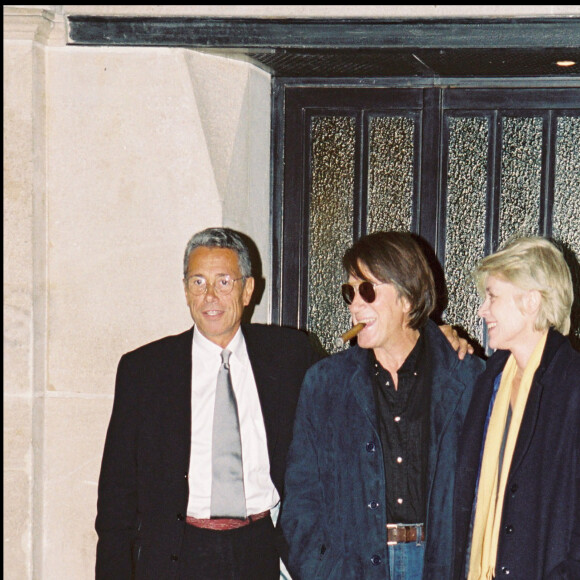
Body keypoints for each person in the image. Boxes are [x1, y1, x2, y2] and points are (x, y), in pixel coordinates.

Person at [95, 227, 321, 579]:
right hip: (177, 552)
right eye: (198, 282)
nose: (210, 296)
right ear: (185, 290)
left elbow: (347, 399)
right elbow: (116, 494)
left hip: (261, 549)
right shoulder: (145, 370)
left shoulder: (290, 356)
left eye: (224, 282)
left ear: (248, 290)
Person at [280, 230, 485, 579]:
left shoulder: (468, 378)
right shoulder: (325, 383)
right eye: (350, 292)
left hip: (442, 565)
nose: (355, 305)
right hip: (354, 566)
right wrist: (325, 571)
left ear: (407, 298)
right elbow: (301, 500)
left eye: (368, 291)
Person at [452, 236, 580, 579]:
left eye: (492, 296)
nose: (482, 310)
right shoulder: (489, 381)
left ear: (530, 301)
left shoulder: (572, 385)